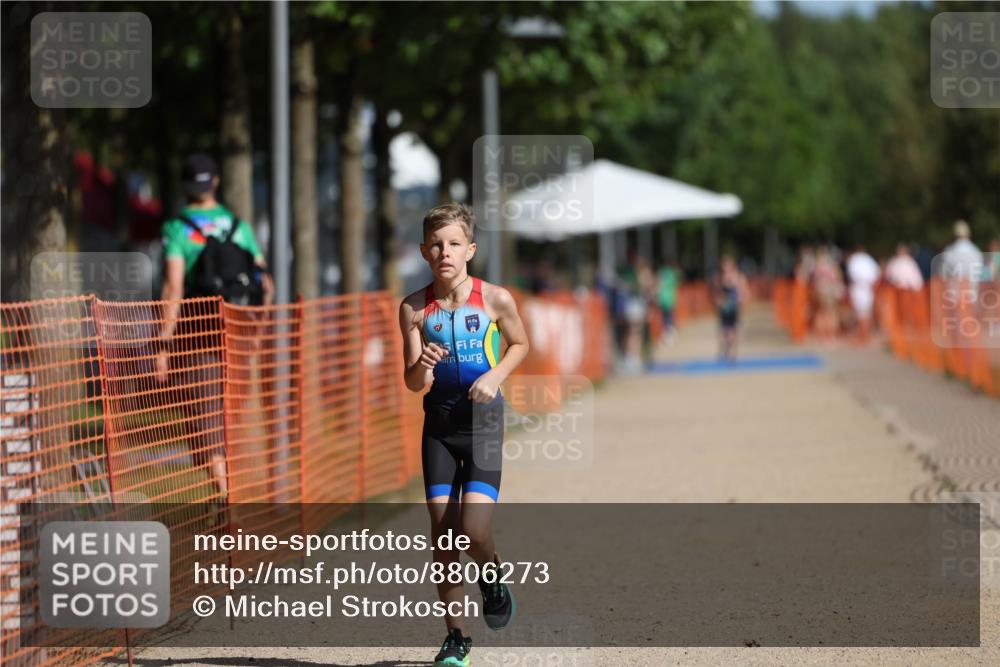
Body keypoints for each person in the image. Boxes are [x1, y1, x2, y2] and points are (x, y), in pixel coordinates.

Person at [398, 203, 529, 667]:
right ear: (423, 252)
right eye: (435, 245)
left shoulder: (495, 299)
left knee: (473, 530)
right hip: (439, 428)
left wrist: (495, 377)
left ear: (470, 249)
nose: (444, 252)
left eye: (454, 244)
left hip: (484, 425)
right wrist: (422, 365)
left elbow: (520, 343)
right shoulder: (414, 309)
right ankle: (457, 638)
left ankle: (491, 576)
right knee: (443, 535)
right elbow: (414, 383)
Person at [154, 153, 273, 503]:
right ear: (215, 183)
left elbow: (173, 287)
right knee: (229, 414)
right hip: (239, 334)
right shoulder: (238, 226)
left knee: (203, 417)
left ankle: (223, 497)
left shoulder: (177, 229)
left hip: (198, 334)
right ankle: (229, 495)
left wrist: (163, 343)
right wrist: (257, 332)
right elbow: (265, 283)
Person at [713, 255, 749, 361]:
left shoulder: (738, 276)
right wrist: (718, 301)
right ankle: (726, 347)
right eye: (724, 266)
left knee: (734, 330)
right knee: (724, 331)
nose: (726, 268)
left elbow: (744, 290)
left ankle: (733, 352)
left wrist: (742, 300)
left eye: (728, 265)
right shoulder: (718, 277)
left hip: (734, 307)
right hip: (723, 308)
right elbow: (716, 292)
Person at [846, 244, 880, 343]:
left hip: (858, 288)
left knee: (861, 314)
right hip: (868, 289)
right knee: (866, 313)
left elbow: (851, 274)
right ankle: (865, 335)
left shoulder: (854, 259)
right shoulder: (869, 260)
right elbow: (876, 274)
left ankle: (862, 336)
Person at [810, 246, 843, 342]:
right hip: (828, 291)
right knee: (831, 313)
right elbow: (836, 278)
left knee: (821, 312)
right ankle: (830, 334)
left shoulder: (817, 267)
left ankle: (821, 334)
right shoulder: (830, 267)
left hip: (819, 290)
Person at [656, 261, 679, 345]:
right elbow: (675, 285)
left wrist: (657, 297)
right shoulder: (672, 273)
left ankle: (668, 332)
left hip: (663, 299)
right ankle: (671, 331)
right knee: (670, 316)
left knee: (666, 317)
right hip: (670, 298)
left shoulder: (661, 273)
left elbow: (659, 285)